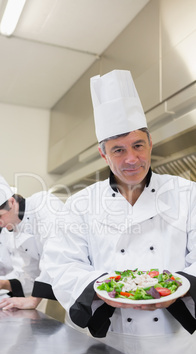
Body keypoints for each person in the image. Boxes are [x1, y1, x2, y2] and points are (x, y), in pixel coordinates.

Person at [40, 69, 196, 339]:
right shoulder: (80, 204)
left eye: (138, 145)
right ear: (103, 154)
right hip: (111, 338)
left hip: (175, 343)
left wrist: (178, 285)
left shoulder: (188, 193)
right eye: (118, 150)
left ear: (150, 143)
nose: (132, 159)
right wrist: (102, 288)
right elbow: (62, 264)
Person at [0, 164, 64, 310]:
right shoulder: (14, 229)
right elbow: (31, 274)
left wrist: (33, 300)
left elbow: (56, 254)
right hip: (59, 295)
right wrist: (3, 283)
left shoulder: (43, 203)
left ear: (11, 202)